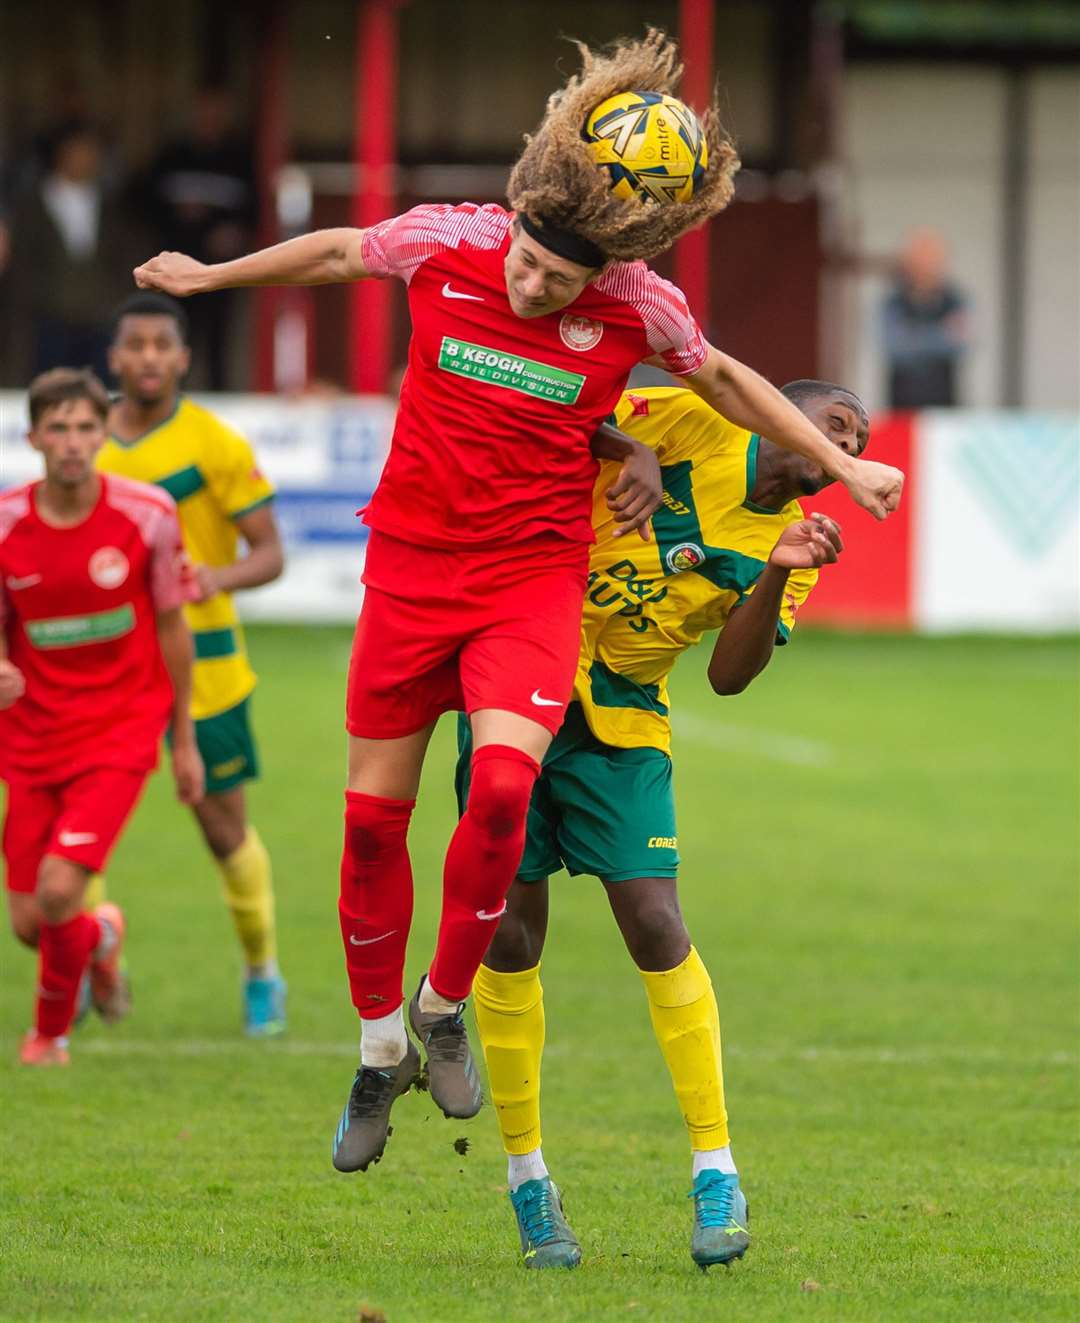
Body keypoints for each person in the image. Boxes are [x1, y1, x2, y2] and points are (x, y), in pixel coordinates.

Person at [131, 29, 903, 1176]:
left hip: (529, 579)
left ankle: (444, 1008)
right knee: (366, 825)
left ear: (607, 274)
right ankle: (378, 1044)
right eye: (528, 268)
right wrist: (209, 279)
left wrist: (844, 468)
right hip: (408, 566)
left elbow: (735, 380)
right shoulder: (451, 239)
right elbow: (344, 250)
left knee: (500, 785)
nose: (530, 286)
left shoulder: (642, 309)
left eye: (557, 281)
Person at [464, 379, 868, 1270]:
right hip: (521, 677)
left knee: (656, 922)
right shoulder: (693, 416)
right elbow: (572, 416)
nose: (844, 444)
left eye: (856, 441)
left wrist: (776, 573)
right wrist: (634, 452)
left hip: (625, 722)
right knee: (511, 939)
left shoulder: (789, 540)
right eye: (833, 423)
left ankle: (716, 1169)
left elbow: (729, 676)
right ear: (779, 411)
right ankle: (530, 1183)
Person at [96, 292, 288, 1036]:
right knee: (89, 821)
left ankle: (261, 969)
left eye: (160, 345)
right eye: (133, 345)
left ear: (182, 357)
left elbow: (269, 552)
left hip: (205, 665)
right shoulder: (86, 441)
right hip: (108, 664)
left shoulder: (215, 444)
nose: (147, 357)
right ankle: (91, 958)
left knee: (221, 825)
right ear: (114, 357)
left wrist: (216, 577)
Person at [0, 368, 203, 1066]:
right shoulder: (5, 522)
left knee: (59, 889)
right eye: (57, 428)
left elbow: (174, 627)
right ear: (33, 437)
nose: (73, 443)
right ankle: (102, 939)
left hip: (120, 730)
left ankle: (48, 1035)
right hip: (28, 737)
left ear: (103, 433)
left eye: (86, 427)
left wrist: (184, 739)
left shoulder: (147, 514)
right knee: (32, 920)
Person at [140, 88, 257, 390]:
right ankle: (168, 396)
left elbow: (256, 212)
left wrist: (236, 232)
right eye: (204, 113)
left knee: (219, 337)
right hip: (174, 267)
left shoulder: (239, 159)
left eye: (216, 114)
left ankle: (219, 399)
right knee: (173, 332)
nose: (209, 121)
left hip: (221, 269)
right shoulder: (171, 155)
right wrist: (172, 225)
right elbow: (141, 202)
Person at [7, 122, 137, 382]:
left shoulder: (111, 202)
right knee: (52, 389)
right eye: (79, 150)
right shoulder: (32, 203)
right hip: (49, 318)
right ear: (62, 153)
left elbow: (123, 255)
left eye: (92, 151)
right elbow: (21, 259)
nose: (87, 157)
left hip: (101, 316)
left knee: (103, 390)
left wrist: (116, 301)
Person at [881, 227, 970, 409]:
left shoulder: (956, 300)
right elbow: (895, 348)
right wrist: (941, 335)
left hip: (945, 408)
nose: (926, 265)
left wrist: (913, 337)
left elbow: (962, 345)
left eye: (932, 258)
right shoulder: (893, 302)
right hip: (901, 408)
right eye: (921, 258)